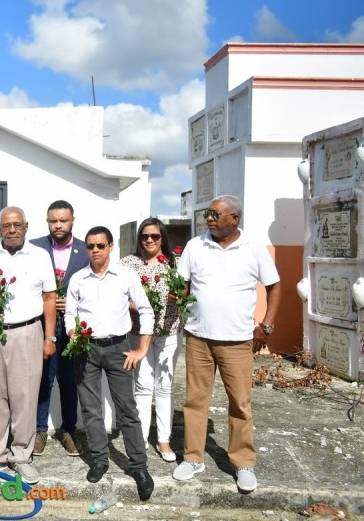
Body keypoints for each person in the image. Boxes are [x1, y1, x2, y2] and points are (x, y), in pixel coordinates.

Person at [172, 195, 281, 492]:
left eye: (214, 214)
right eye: (207, 214)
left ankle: (243, 463)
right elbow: (182, 286)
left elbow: (274, 286)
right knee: (195, 401)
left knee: (240, 403)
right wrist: (176, 296)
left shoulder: (253, 247)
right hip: (198, 337)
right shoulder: (195, 246)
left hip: (238, 340)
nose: (209, 218)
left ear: (234, 218)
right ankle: (193, 458)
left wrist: (266, 326)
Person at [0, 206, 57, 486]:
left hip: (27, 332)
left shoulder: (40, 256)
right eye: (6, 226)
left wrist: (50, 338)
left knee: (24, 396)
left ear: (26, 227)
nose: (12, 230)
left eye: (17, 225)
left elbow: (49, 298)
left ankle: (21, 456)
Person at [66, 225, 155, 501]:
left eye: (100, 245)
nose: (95, 250)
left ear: (111, 247)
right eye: (90, 246)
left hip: (118, 348)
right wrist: (72, 331)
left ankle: (139, 467)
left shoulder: (125, 276)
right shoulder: (78, 278)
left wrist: (142, 348)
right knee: (91, 408)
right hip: (86, 349)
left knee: (127, 409)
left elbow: (145, 309)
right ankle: (99, 460)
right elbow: (69, 312)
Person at [120, 217, 182, 463]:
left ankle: (164, 439)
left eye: (155, 236)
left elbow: (187, 290)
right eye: (145, 236)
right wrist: (140, 306)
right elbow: (119, 295)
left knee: (165, 385)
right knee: (143, 385)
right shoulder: (128, 263)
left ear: (162, 237)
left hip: (169, 331)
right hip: (138, 332)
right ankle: (142, 437)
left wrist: (181, 296)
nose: (149, 240)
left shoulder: (174, 263)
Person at [30, 200, 89, 457]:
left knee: (69, 380)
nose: (58, 225)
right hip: (43, 326)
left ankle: (68, 430)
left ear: (72, 220)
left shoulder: (86, 250)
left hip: (74, 327)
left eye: (63, 220)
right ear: (47, 221)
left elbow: (94, 285)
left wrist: (74, 302)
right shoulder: (34, 248)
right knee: (43, 379)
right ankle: (39, 429)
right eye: (53, 221)